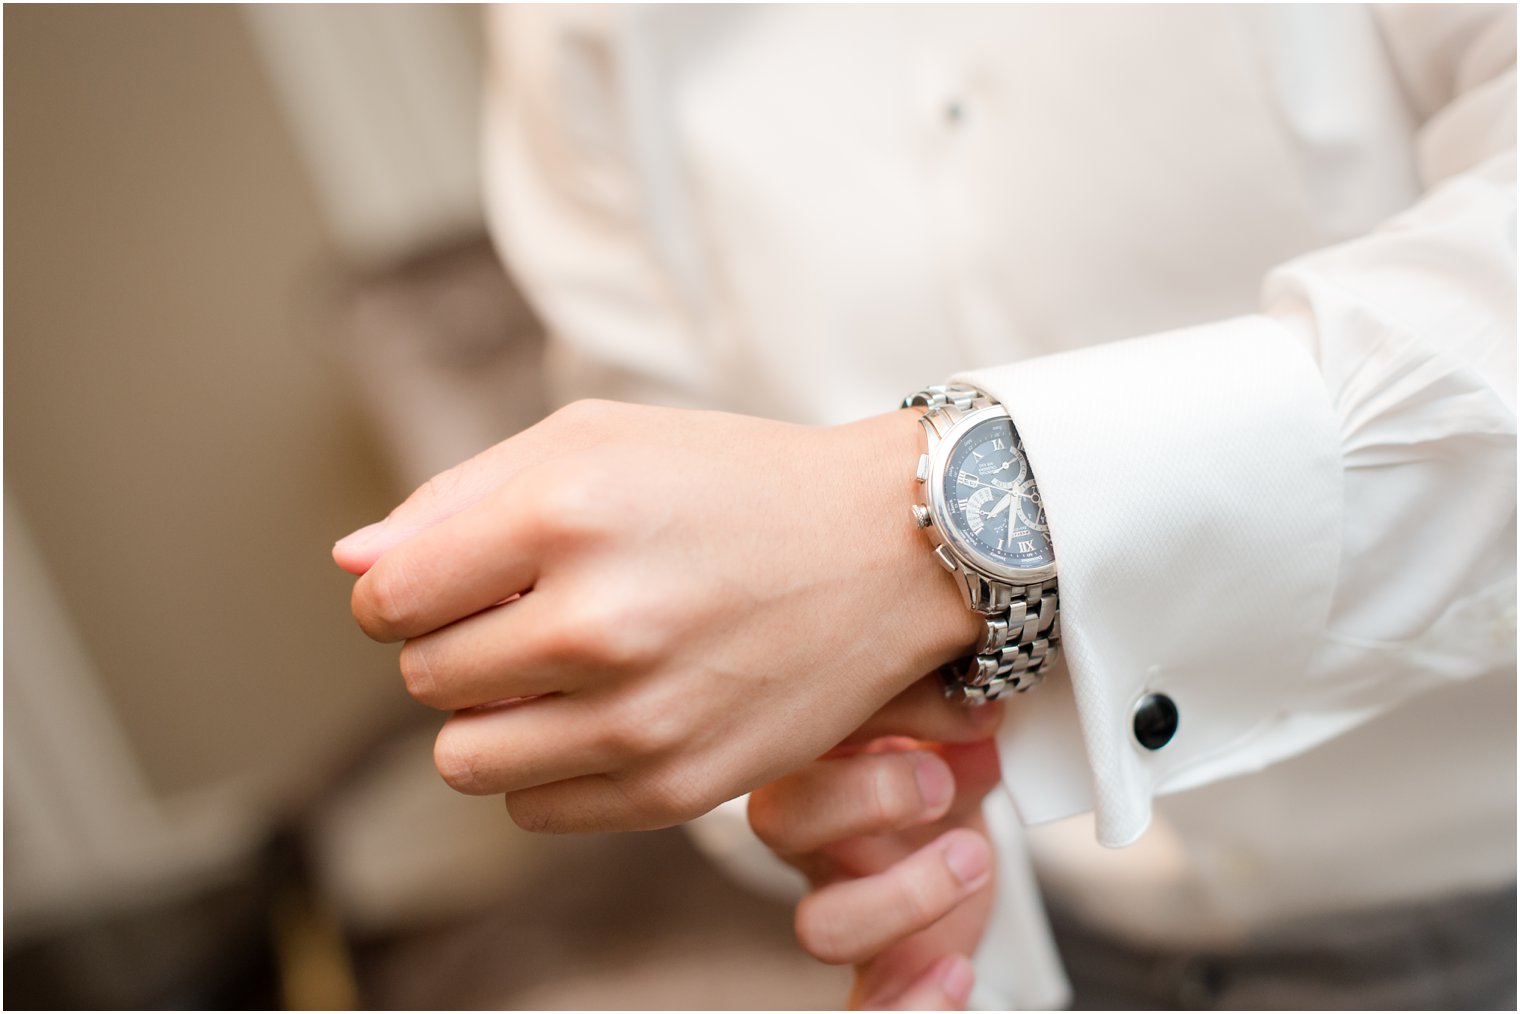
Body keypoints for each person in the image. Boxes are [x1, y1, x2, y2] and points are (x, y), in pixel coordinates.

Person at [335, 5, 1516, 1009]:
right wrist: (820, 781)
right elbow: (680, 487)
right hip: (1040, 953)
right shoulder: (565, 31)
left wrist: (949, 533)